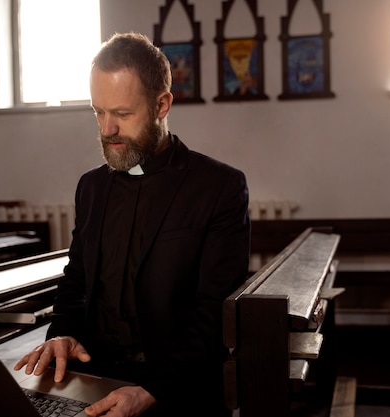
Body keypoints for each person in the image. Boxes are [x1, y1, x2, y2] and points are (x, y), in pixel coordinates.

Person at [14, 32, 250, 417]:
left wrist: (152, 390)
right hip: (95, 377)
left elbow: (214, 314)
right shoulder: (91, 186)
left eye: (122, 114)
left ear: (162, 104)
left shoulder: (218, 187)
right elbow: (76, 280)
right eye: (98, 112)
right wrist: (62, 332)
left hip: (176, 389)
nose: (107, 129)